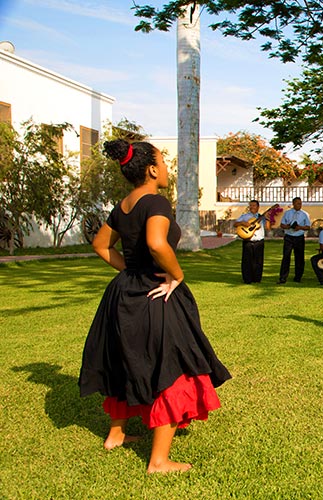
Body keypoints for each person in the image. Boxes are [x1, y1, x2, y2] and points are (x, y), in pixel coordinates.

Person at [78, 139, 232, 473]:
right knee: (171, 366)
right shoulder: (156, 203)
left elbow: (100, 245)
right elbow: (156, 243)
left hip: (122, 293)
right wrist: (176, 274)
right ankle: (158, 460)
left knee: (125, 359)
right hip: (154, 293)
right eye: (162, 162)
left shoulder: (124, 205)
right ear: (151, 169)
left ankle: (115, 435)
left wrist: (130, 271)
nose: (166, 168)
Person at [234, 199, 270, 283]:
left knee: (258, 261)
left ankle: (257, 279)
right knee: (247, 261)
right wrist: (242, 223)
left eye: (254, 205)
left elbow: (268, 228)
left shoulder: (261, 217)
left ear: (258, 207)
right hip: (248, 240)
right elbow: (235, 224)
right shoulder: (245, 216)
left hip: (259, 241)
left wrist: (268, 219)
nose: (252, 207)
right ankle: (247, 279)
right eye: (250, 205)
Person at [277, 196, 311, 284]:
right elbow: (282, 225)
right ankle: (283, 277)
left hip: (299, 237)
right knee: (286, 257)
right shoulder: (287, 213)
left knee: (299, 257)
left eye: (300, 203)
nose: (299, 205)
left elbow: (308, 226)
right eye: (298, 203)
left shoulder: (305, 214)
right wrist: (288, 226)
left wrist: (300, 227)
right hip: (289, 236)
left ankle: (298, 277)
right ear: (293, 204)